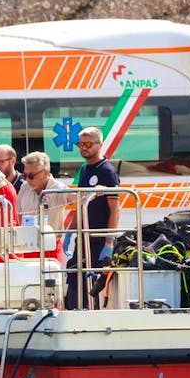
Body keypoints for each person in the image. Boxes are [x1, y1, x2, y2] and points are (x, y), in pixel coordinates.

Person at [66, 126, 120, 310]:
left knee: (94, 282)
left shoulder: (107, 171)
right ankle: (74, 313)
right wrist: (68, 233)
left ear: (99, 144)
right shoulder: (84, 170)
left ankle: (95, 315)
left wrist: (109, 242)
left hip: (98, 238)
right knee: (73, 276)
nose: (83, 148)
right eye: (80, 144)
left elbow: (115, 209)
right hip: (83, 238)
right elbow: (81, 204)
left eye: (88, 144)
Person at [17, 151, 71, 231]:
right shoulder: (24, 187)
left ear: (45, 173)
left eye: (31, 176)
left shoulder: (58, 188)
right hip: (27, 241)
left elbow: (76, 197)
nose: (27, 179)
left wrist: (94, 191)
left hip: (52, 241)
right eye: (25, 175)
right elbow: (18, 217)